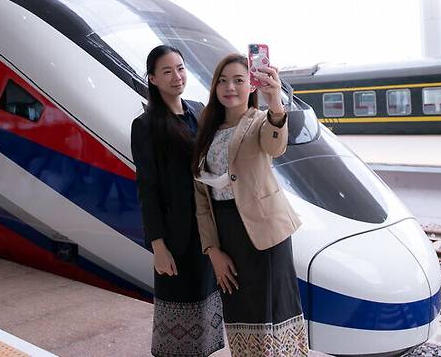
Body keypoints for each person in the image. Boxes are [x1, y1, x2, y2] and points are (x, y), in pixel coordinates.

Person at [191, 53, 309, 356]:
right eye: (223, 80)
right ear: (215, 87)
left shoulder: (260, 121)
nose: (230, 87)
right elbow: (201, 200)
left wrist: (276, 105)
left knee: (272, 313)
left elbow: (275, 145)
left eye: (239, 80)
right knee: (240, 312)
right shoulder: (207, 130)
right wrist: (212, 250)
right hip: (227, 233)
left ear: (251, 86)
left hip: (265, 235)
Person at [131, 45, 225, 357]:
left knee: (207, 313)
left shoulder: (199, 111)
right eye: (167, 71)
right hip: (175, 237)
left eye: (180, 68)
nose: (177, 76)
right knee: (177, 315)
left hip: (208, 231)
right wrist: (158, 246)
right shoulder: (146, 125)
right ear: (153, 79)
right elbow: (148, 188)